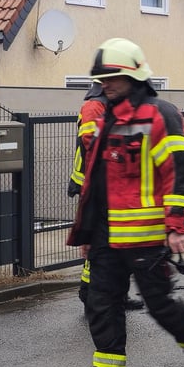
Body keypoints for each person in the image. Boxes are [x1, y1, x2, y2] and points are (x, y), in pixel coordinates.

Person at [62, 38, 184, 367]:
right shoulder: (105, 117)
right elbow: (96, 179)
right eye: (102, 78)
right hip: (106, 236)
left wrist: (177, 226)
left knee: (160, 306)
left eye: (112, 77)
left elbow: (178, 172)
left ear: (133, 76)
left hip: (147, 236)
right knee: (102, 306)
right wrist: (88, 228)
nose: (105, 84)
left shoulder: (160, 114)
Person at [67, 82, 144, 311]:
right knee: (100, 243)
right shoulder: (94, 106)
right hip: (96, 184)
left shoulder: (113, 104)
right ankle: (90, 292)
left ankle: (114, 293)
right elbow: (92, 144)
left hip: (113, 183)